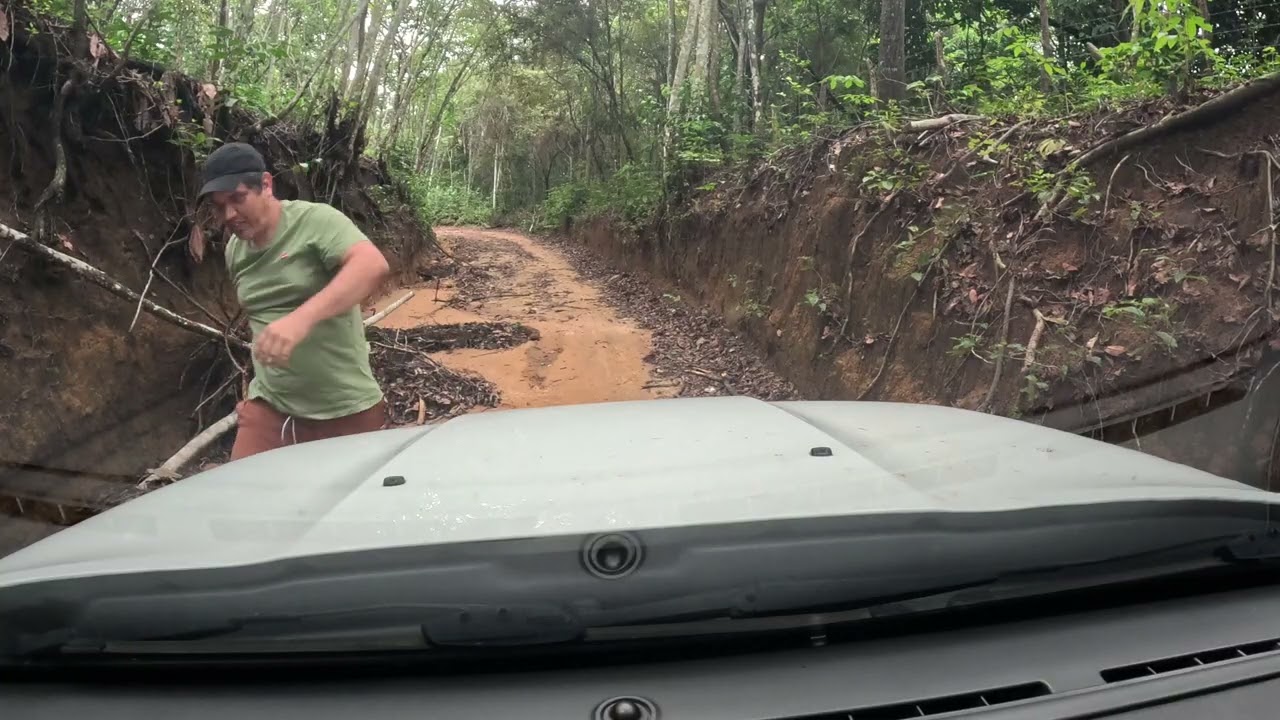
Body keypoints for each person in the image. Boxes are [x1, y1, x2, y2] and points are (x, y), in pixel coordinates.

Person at [199, 142, 391, 461]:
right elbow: (261, 320)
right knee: (241, 501)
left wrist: (300, 320)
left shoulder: (315, 222)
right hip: (272, 411)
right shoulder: (235, 250)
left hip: (345, 408)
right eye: (219, 207)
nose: (229, 215)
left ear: (266, 184)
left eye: (237, 198)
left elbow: (372, 265)